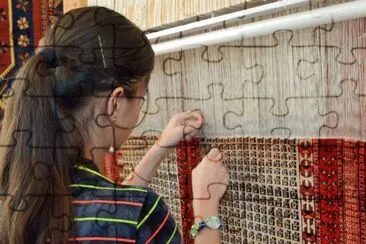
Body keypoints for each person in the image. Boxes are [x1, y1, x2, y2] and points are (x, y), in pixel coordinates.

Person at [0, 6, 229, 244]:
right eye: (141, 97)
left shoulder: (15, 198)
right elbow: (120, 217)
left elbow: (111, 216)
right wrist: (205, 203)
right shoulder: (141, 214)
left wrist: (160, 148)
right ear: (115, 103)